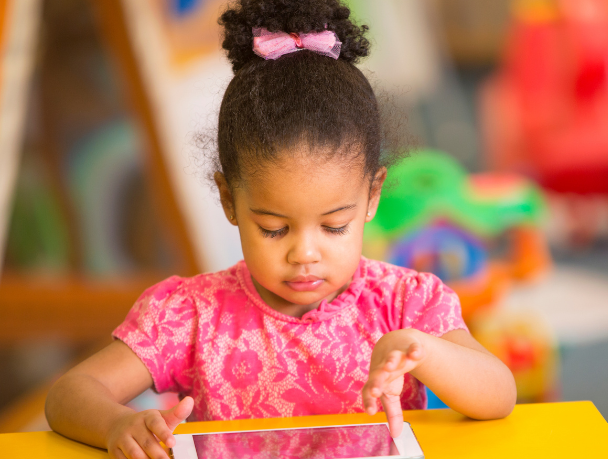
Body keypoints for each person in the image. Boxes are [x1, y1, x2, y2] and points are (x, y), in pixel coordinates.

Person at [44, 1, 517, 458]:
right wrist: (116, 424)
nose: (304, 253)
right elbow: (69, 394)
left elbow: (499, 395)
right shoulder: (190, 315)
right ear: (230, 200)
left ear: (372, 197)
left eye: (334, 226)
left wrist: (421, 350)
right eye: (273, 229)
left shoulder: (405, 304)